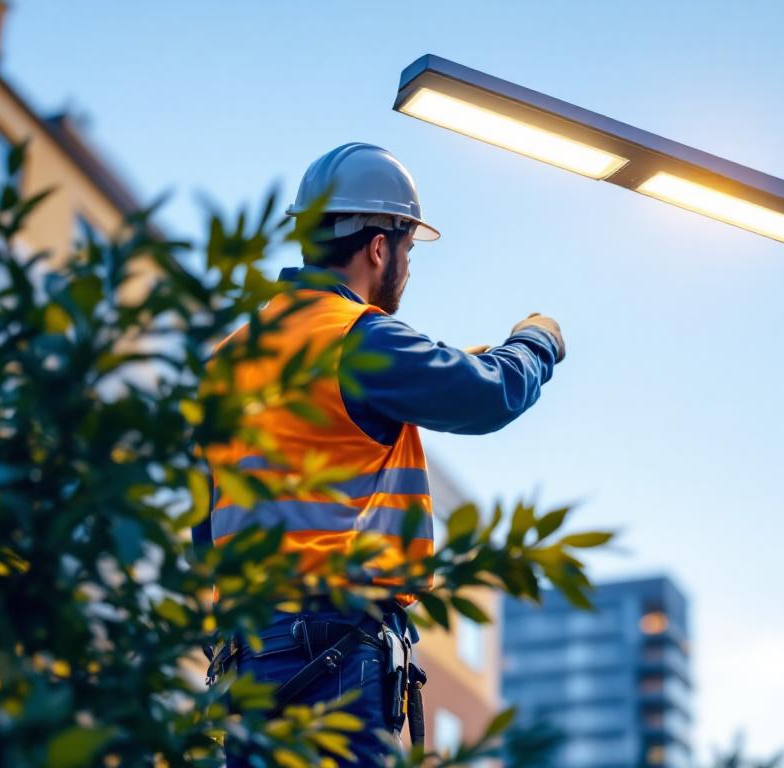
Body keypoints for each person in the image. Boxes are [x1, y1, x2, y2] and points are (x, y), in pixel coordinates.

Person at [199, 143, 565, 765]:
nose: (408, 267)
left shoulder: (233, 354)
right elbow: (488, 396)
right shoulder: (357, 338)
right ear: (378, 247)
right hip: (330, 654)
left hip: (249, 655)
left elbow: (207, 521)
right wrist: (536, 343)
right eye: (409, 250)